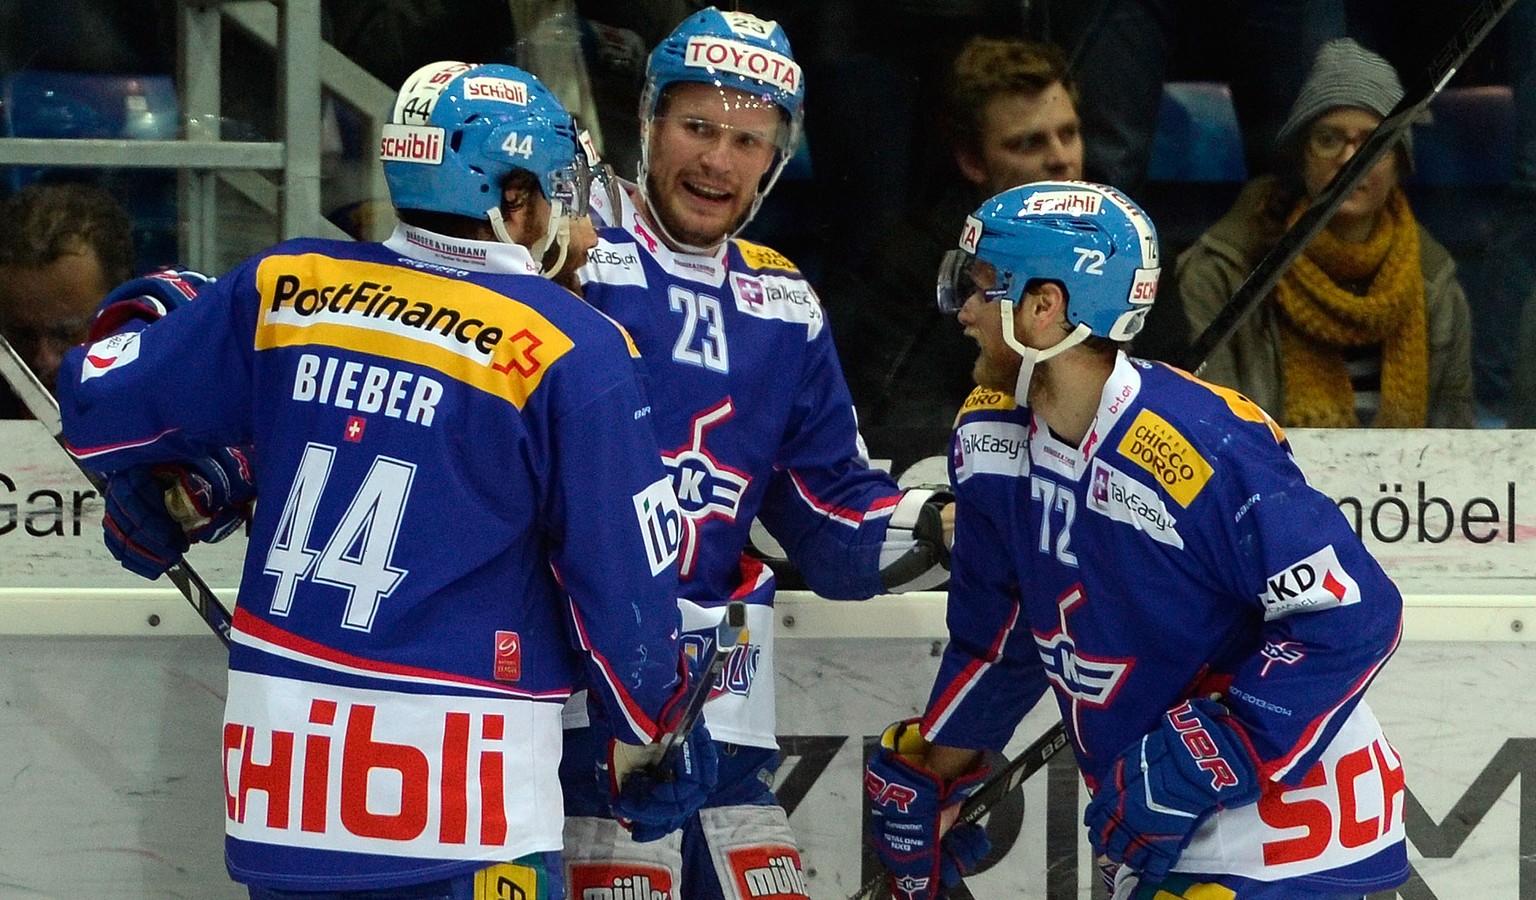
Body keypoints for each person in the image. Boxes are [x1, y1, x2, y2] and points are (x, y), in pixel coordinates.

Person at [56, 61, 717, 898]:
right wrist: (655, 732)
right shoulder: (569, 351)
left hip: (278, 795)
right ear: (509, 199)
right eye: (564, 192)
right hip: (463, 805)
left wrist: (170, 459)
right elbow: (626, 597)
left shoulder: (285, 287)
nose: (583, 226)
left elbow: (96, 398)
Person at [862, 180, 1409, 899]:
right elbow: (1004, 638)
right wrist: (938, 770)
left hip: (1293, 820)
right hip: (1168, 823)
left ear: (1044, 308)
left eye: (982, 286)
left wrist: (1216, 750)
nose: (962, 310)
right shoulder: (990, 440)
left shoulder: (1196, 448)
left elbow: (1353, 615)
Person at [561, 8, 953, 900]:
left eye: (748, 140)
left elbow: (832, 519)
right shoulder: (565, 248)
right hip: (576, 709)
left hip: (724, 715)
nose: (718, 161)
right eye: (698, 127)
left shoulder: (783, 304)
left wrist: (942, 524)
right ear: (649, 123)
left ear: (776, 161)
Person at [1177, 38, 1477, 428]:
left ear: (1401, 162)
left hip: (1408, 487)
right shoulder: (1225, 275)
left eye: (1374, 142)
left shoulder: (1435, 283)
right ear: (1302, 155)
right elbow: (1212, 438)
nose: (1350, 160)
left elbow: (1460, 451)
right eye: (1328, 139)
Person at [825, 36, 1084, 466]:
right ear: (972, 161)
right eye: (1028, 143)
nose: (1061, 159)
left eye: (1069, 134)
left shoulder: (1134, 255)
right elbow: (905, 428)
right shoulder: (912, 270)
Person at [0, 182, 137, 417]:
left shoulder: (171, 410)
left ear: (121, 313)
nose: (45, 360)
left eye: (64, 335)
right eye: (22, 334)